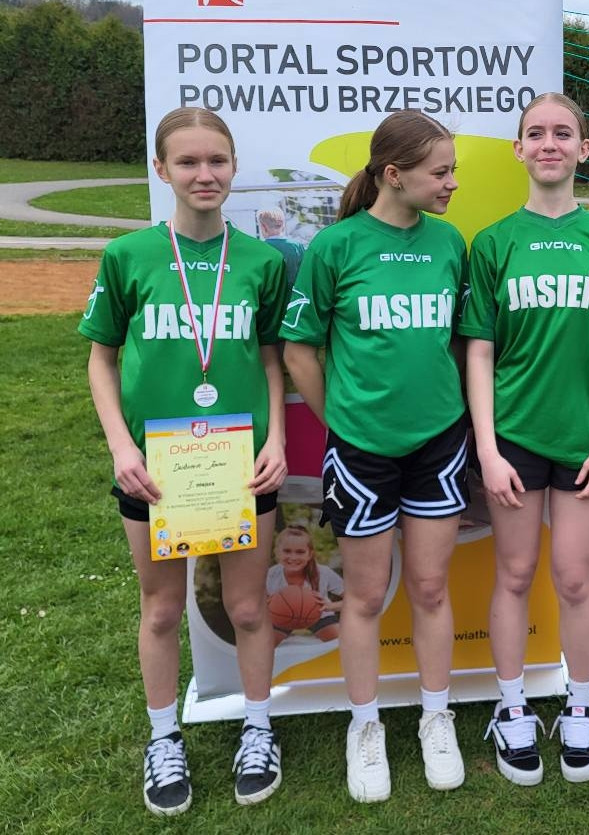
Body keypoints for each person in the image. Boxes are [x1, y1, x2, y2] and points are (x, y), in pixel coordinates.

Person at [80, 106, 287, 815]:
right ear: (161, 169)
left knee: (248, 606)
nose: (205, 174)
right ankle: (164, 736)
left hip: (241, 463)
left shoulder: (261, 261)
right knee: (163, 607)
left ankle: (258, 727)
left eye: (217, 160)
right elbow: (101, 359)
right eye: (189, 161)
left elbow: (271, 358)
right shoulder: (129, 256)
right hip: (156, 468)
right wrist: (121, 445)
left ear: (234, 167)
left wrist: (277, 439)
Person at [460, 92, 589, 785]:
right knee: (513, 574)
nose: (549, 143)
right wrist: (486, 448)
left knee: (573, 577)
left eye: (562, 133)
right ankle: (511, 705)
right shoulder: (492, 243)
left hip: (584, 440)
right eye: (535, 133)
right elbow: (479, 351)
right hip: (513, 438)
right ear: (518, 149)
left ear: (583, 149)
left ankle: (579, 702)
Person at [282, 110, 469, 798]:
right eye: (440, 172)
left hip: (439, 444)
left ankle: (436, 717)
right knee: (362, 595)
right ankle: (365, 727)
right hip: (361, 453)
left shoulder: (450, 243)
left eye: (452, 171)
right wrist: (342, 420)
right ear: (393, 175)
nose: (451, 183)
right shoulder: (335, 246)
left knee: (429, 588)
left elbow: (458, 341)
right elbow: (299, 349)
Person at [267, 524, 343, 645]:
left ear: (310, 554)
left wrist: (330, 606)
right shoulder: (271, 575)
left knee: (341, 645)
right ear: (277, 552)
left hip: (319, 615)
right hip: (281, 615)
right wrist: (266, 604)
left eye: (300, 552)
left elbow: (354, 600)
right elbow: (252, 603)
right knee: (262, 646)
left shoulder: (323, 573)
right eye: (287, 551)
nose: (293, 557)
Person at [256, 208, 306, 291]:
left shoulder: (259, 248)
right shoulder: (297, 246)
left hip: (270, 296)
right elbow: (305, 273)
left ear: (263, 227)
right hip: (294, 295)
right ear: (283, 225)